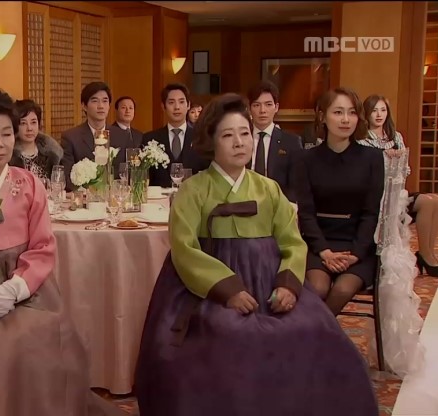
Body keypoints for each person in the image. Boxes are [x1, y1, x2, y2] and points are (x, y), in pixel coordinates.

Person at [134, 93, 378, 416]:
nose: (239, 142)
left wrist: (288, 286)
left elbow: (293, 243)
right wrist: (228, 291)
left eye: (245, 133)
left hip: (269, 281)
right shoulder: (192, 190)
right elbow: (184, 248)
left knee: (316, 328)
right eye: (228, 135)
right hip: (210, 289)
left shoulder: (269, 189)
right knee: (231, 332)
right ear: (211, 142)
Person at [0, 88, 127, 416]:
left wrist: (15, 288)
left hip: (26, 287)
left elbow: (43, 245)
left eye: (7, 133)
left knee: (42, 333)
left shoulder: (30, 184)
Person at [293, 87, 386, 315]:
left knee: (343, 289)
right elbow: (305, 212)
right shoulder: (306, 159)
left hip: (357, 243)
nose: (346, 119)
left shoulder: (373, 158)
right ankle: (322, 333)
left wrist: (355, 253)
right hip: (318, 242)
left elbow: (371, 213)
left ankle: (315, 332)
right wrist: (323, 250)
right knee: (317, 287)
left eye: (352, 112)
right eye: (338, 112)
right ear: (323, 116)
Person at [359, 94, 438, 277]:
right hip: (378, 195)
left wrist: (398, 162)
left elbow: (406, 169)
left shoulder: (395, 136)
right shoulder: (362, 139)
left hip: (398, 191)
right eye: (374, 110)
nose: (379, 115)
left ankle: (428, 253)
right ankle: (426, 257)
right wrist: (387, 159)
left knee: (436, 200)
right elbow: (366, 171)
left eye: (383, 110)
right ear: (367, 113)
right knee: (426, 201)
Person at [60, 81, 131, 190]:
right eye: (95, 101)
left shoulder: (122, 136)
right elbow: (68, 178)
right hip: (85, 197)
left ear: (109, 105)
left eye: (105, 101)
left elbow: (128, 173)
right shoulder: (71, 137)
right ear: (84, 106)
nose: (101, 106)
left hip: (115, 196)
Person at [143, 83, 211, 187]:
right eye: (171, 102)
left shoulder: (202, 137)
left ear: (188, 105)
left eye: (181, 102)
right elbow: (143, 176)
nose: (177, 107)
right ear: (163, 106)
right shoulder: (150, 139)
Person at [246, 80, 304, 202]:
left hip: (278, 204)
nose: (262, 110)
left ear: (276, 107)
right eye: (256, 105)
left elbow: (296, 184)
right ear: (249, 108)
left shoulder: (291, 142)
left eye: (268, 104)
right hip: (244, 203)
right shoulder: (241, 139)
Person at [9, 99, 63, 180]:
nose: (29, 128)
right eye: (23, 123)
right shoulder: (9, 157)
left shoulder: (52, 154)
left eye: (33, 122)